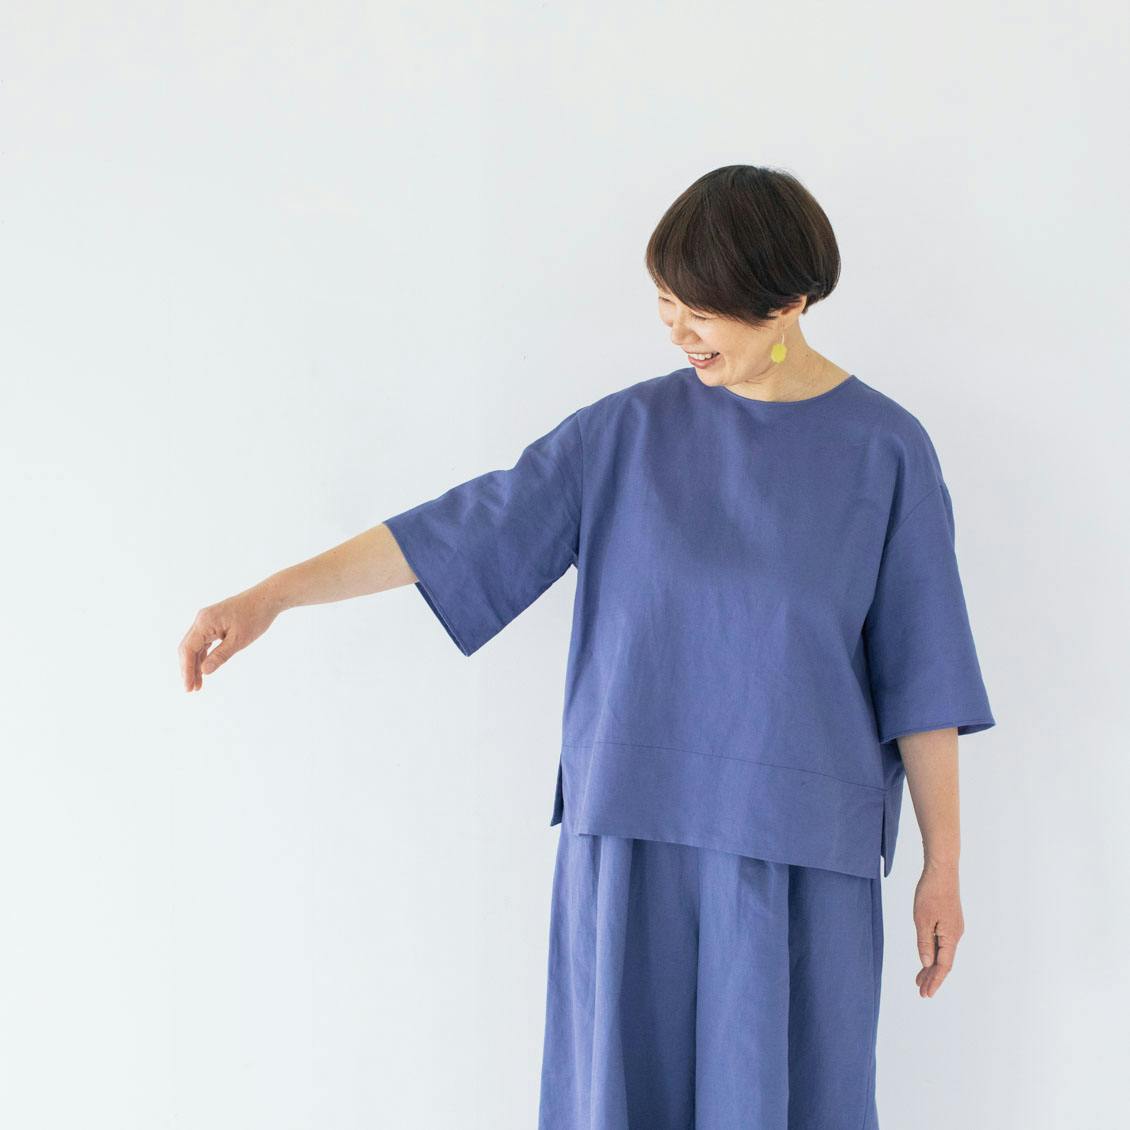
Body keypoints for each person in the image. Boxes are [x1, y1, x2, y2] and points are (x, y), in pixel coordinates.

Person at [178, 164, 996, 1129]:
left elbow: (924, 676)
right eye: (666, 305)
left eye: (703, 312)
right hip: (633, 838)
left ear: (788, 303)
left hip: (800, 854)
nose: (680, 332)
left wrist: (943, 867)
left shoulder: (886, 451)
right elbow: (465, 528)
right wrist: (272, 595)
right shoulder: (625, 435)